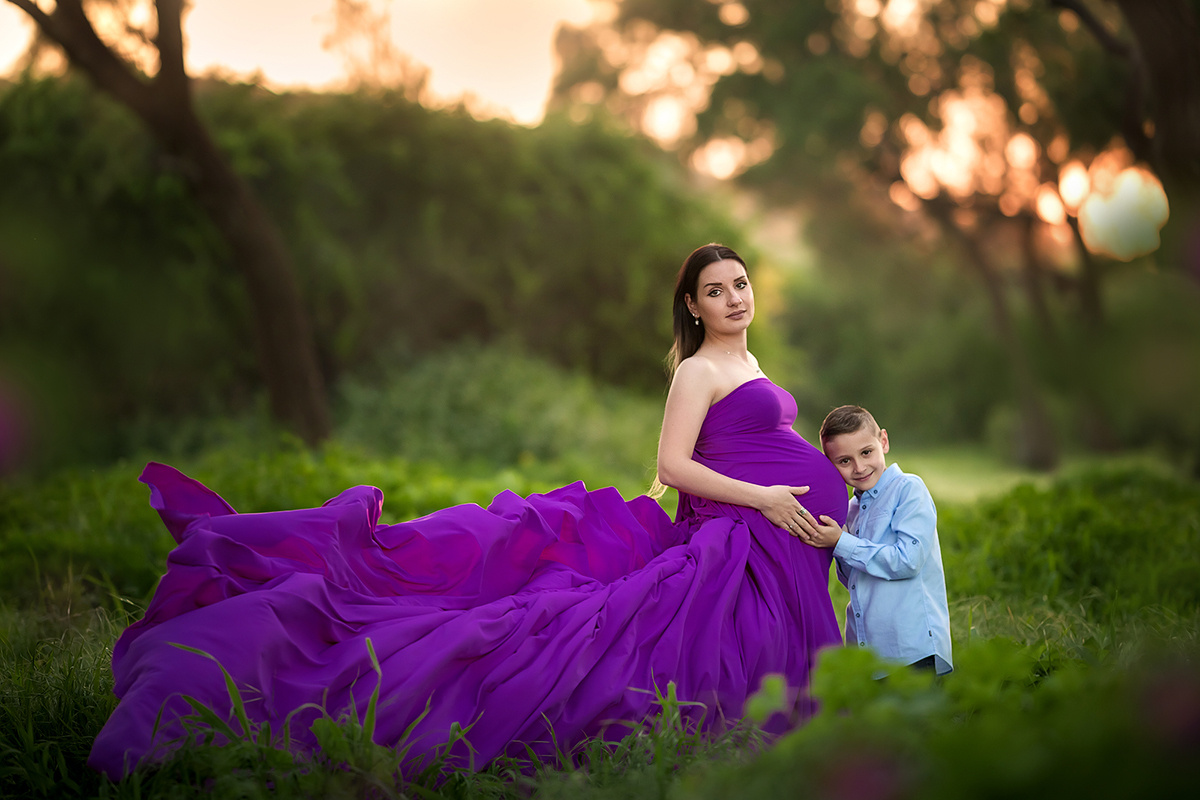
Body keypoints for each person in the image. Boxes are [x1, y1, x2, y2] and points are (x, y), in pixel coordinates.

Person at [88, 243, 848, 779]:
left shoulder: (750, 362)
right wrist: (768, 498)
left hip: (774, 534)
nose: (733, 297)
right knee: (588, 637)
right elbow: (674, 466)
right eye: (715, 290)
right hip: (744, 525)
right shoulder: (697, 370)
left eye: (740, 283)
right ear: (692, 304)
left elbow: (740, 446)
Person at [796, 405, 952, 676]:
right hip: (869, 653)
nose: (859, 467)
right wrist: (834, 543)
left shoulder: (908, 489)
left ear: (883, 441)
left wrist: (842, 542)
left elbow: (908, 561)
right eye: (844, 461)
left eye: (866, 452)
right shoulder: (850, 509)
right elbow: (855, 580)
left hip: (911, 649)